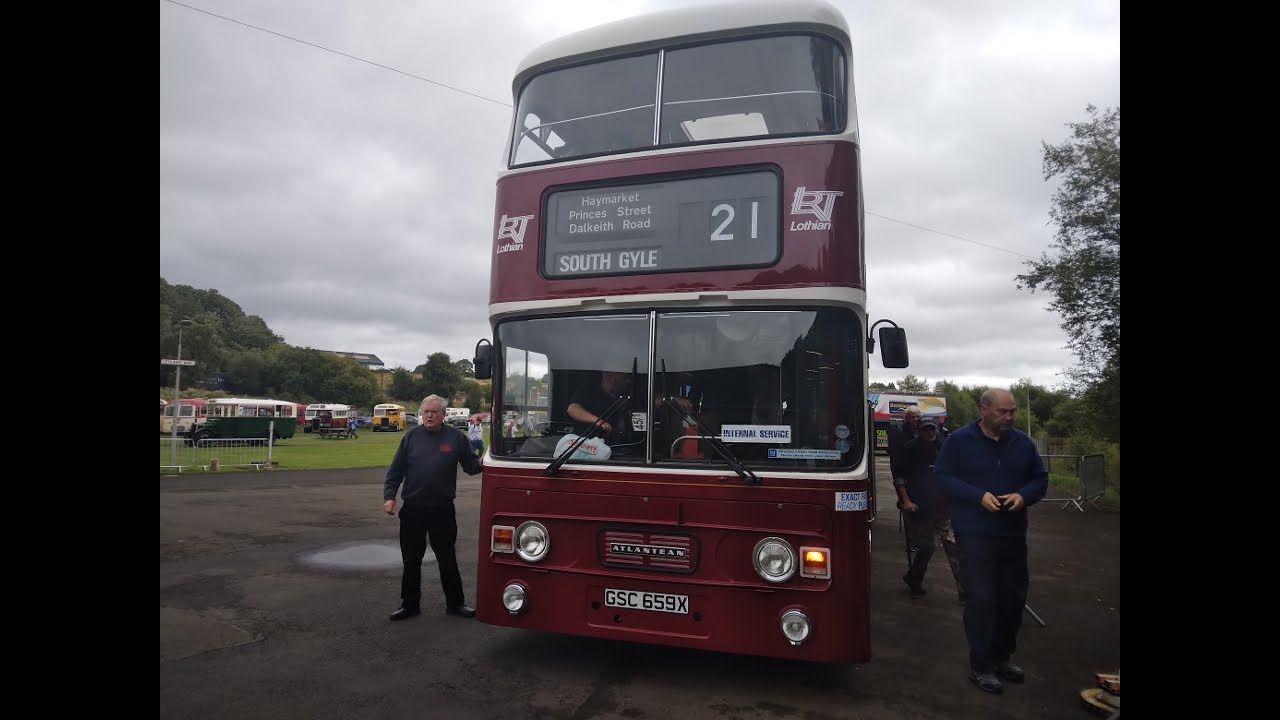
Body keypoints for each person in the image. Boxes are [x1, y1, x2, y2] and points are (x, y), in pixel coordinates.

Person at [934, 388, 1048, 695]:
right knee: (982, 600)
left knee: (1012, 600)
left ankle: (1001, 658)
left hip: (1011, 535)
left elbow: (1040, 479)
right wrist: (977, 496)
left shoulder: (1022, 443)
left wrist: (1023, 496)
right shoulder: (959, 441)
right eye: (1002, 411)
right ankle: (980, 666)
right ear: (984, 409)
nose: (1009, 417)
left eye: (1011, 411)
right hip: (975, 534)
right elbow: (942, 476)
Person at [382, 394, 482, 621]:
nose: (429, 415)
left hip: (442, 510)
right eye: (425, 412)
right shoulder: (411, 437)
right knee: (411, 559)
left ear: (443, 415)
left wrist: (484, 462)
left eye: (434, 412)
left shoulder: (456, 437)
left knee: (447, 557)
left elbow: (470, 466)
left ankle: (456, 604)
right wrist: (390, 497)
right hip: (413, 509)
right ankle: (410, 605)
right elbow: (395, 471)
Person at [894, 417, 963, 602]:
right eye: (926, 429)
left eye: (932, 429)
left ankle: (964, 592)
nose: (930, 433)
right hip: (921, 507)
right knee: (926, 548)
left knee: (953, 547)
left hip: (943, 507)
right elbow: (899, 477)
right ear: (920, 430)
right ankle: (914, 580)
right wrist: (906, 501)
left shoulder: (944, 447)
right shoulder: (910, 449)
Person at [566, 370, 693, 441]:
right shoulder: (589, 388)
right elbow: (573, 409)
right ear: (612, 377)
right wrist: (598, 422)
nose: (628, 381)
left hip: (623, 450)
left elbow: (653, 399)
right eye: (625, 377)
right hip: (589, 449)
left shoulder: (628, 391)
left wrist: (673, 399)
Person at [888, 405, 923, 487]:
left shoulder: (925, 432)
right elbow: (895, 463)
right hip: (907, 480)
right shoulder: (899, 435)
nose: (916, 419)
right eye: (912, 417)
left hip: (923, 479)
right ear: (906, 418)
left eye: (917, 417)